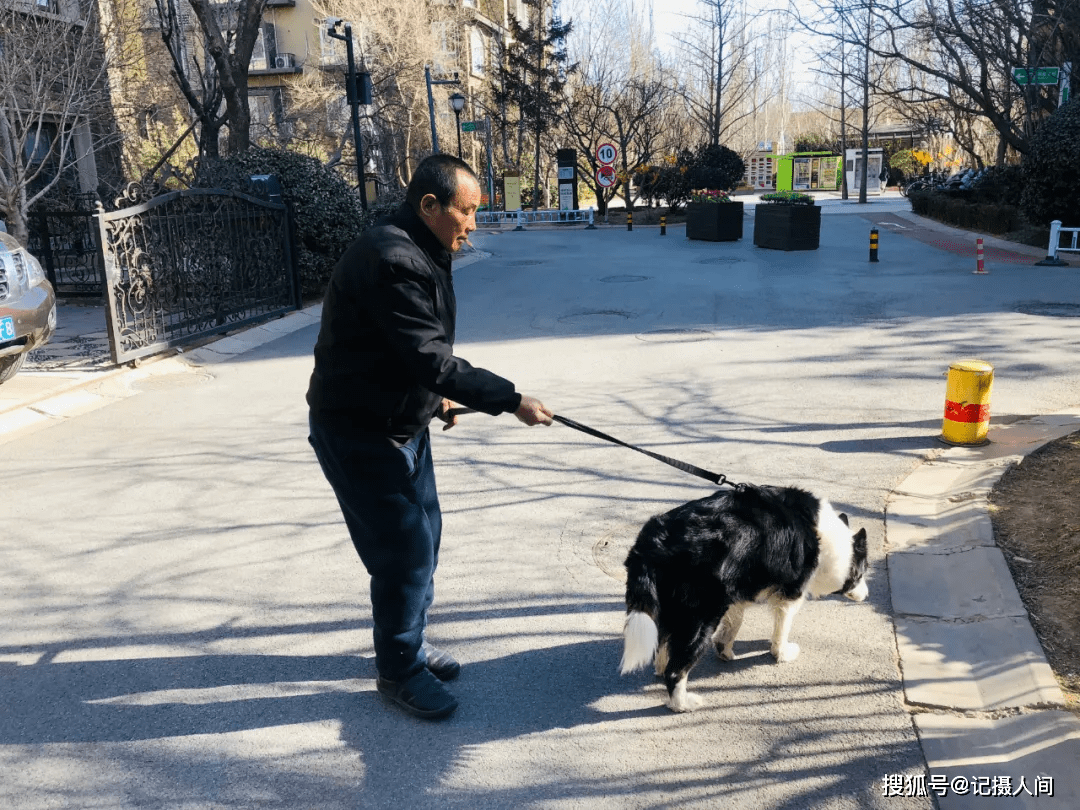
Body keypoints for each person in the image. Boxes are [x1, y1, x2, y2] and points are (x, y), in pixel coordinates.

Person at [307, 154, 553, 720]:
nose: (472, 223)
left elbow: (403, 348)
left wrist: (433, 398)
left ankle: (409, 639)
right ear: (429, 206)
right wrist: (511, 400)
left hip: (402, 423)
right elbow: (429, 356)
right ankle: (398, 670)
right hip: (360, 433)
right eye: (466, 212)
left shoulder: (424, 248)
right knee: (404, 554)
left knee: (428, 535)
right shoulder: (392, 257)